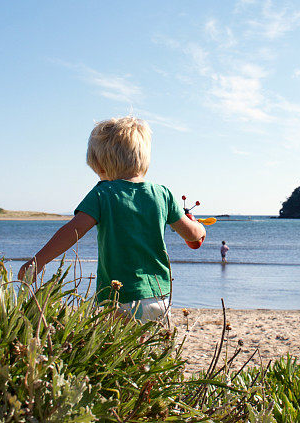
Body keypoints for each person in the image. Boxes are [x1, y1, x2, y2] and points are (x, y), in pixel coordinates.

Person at [17, 116, 205, 323]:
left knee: (119, 352)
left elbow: (73, 231)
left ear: (101, 166)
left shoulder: (103, 193)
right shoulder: (162, 194)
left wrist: (38, 261)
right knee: (147, 351)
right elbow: (193, 235)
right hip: (159, 296)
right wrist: (198, 226)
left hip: (119, 297)